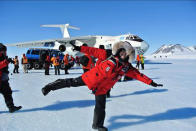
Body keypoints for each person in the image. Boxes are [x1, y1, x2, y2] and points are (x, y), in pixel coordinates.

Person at [41, 41, 163, 131]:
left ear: (128, 56)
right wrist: (79, 47)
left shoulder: (126, 67)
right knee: (70, 82)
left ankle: (97, 125)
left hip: (102, 88)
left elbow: (138, 75)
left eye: (126, 53)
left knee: (100, 107)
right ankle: (49, 87)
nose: (123, 53)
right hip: (91, 78)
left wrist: (151, 82)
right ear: (119, 50)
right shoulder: (108, 55)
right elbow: (93, 51)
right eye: (122, 50)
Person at [0, 43, 22, 113]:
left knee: (8, 93)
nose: (5, 52)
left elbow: (4, 65)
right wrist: (6, 62)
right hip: (1, 79)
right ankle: (11, 107)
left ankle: (11, 107)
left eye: (5, 50)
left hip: (3, 79)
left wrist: (9, 61)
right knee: (7, 93)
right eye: (4, 50)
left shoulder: (3, 56)